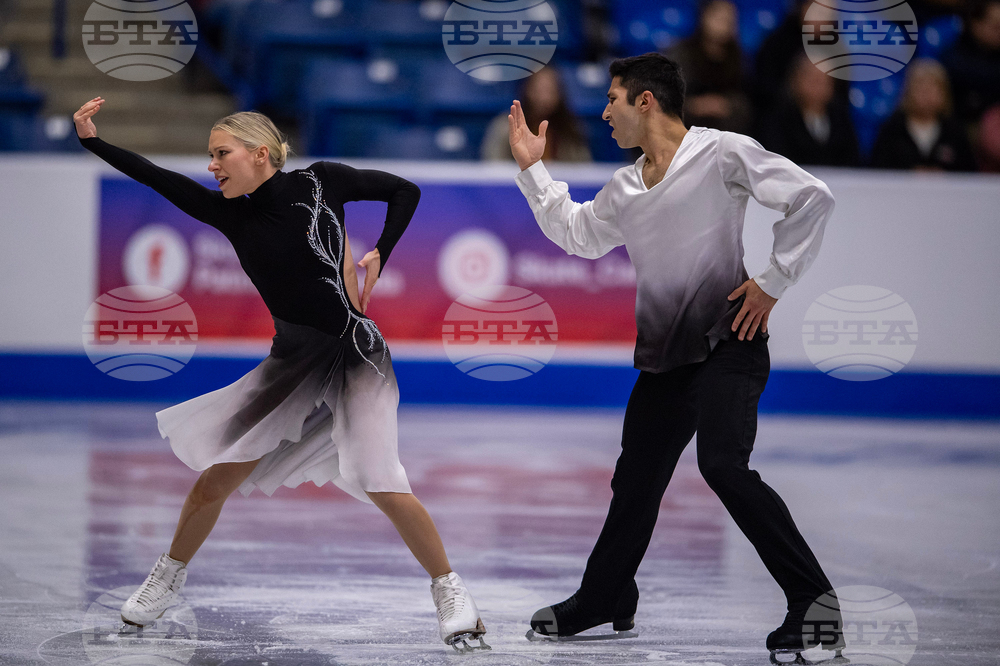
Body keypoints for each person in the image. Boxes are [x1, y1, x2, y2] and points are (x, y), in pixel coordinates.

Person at [72, 97, 490, 653]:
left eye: (222, 154)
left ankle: (451, 592)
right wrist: (92, 141)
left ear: (260, 153)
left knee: (380, 476)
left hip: (355, 353)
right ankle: (167, 578)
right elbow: (157, 178)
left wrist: (380, 253)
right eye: (210, 156)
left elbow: (403, 191)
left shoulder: (324, 182)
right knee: (217, 476)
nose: (212, 165)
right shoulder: (230, 212)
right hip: (292, 362)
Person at [507, 53, 844, 662]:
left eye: (612, 98)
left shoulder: (722, 153)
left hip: (729, 342)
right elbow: (579, 235)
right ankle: (606, 595)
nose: (603, 110)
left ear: (645, 101)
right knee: (634, 480)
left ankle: (814, 605)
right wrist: (534, 172)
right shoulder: (626, 187)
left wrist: (773, 280)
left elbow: (811, 198)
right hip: (668, 357)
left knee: (724, 466)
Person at [870, 59, 977, 172]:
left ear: (944, 93)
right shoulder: (892, 129)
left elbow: (969, 174)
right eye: (920, 87)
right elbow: (877, 170)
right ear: (908, 92)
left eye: (933, 88)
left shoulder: (954, 132)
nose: (926, 94)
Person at [665, 0, 752, 134]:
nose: (726, 24)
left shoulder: (739, 57)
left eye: (730, 19)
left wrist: (725, 104)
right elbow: (665, 96)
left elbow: (745, 99)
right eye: (720, 18)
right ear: (704, 17)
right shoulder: (681, 53)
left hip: (725, 131)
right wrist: (694, 105)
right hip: (684, 128)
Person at [758, 55, 861, 167]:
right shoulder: (779, 119)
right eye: (813, 79)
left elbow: (852, 159)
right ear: (796, 79)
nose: (818, 86)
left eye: (824, 80)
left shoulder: (840, 119)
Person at [481, 66, 591, 163]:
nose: (544, 98)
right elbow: (493, 167)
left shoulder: (571, 130)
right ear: (527, 90)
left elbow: (582, 171)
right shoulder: (505, 126)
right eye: (539, 90)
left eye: (550, 91)